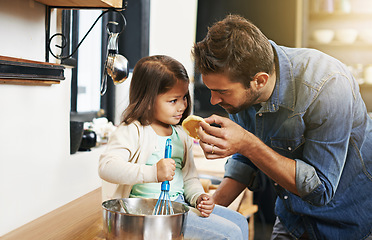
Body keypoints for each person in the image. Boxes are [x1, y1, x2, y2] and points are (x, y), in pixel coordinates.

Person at [192, 15, 372, 240]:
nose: (213, 101)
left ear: (260, 80)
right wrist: (206, 214)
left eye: (222, 92)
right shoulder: (243, 83)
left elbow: (320, 188)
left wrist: (247, 143)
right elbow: (245, 160)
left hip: (350, 220)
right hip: (293, 218)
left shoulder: (328, 84)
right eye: (211, 89)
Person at [98, 55, 248, 240]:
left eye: (184, 97)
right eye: (173, 100)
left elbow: (189, 179)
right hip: (147, 212)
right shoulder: (133, 130)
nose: (182, 106)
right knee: (230, 234)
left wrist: (198, 197)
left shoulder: (181, 134)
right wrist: (153, 173)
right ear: (147, 99)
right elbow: (107, 167)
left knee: (240, 222)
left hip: (177, 206)